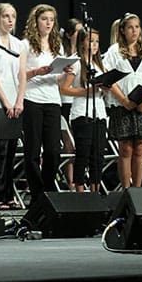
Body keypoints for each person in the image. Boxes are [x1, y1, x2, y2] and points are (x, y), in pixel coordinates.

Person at [21, 4, 72, 204]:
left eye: (52, 19)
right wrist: (37, 72)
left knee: (53, 150)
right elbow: (19, 75)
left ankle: (48, 188)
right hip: (32, 98)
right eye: (44, 19)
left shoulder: (56, 45)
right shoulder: (25, 45)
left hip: (52, 100)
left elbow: (57, 79)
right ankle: (37, 194)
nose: (49, 23)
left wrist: (65, 73)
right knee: (33, 150)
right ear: (36, 21)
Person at [104, 12, 142, 189]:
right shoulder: (114, 51)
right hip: (122, 104)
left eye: (137, 27)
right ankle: (126, 189)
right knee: (126, 148)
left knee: (140, 148)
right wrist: (124, 101)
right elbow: (109, 78)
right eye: (130, 27)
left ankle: (138, 190)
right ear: (122, 30)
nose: (134, 31)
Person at [0, 2, 26, 209]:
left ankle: (8, 194)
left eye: (13, 16)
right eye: (6, 16)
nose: (10, 20)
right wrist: (6, 102)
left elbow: (22, 74)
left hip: (15, 102)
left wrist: (19, 100)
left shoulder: (19, 44)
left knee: (11, 151)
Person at [60, 28, 111, 193]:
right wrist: (85, 91)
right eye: (90, 41)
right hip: (82, 111)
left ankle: (95, 190)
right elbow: (64, 89)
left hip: (99, 112)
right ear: (82, 42)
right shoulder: (76, 63)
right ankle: (80, 191)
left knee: (98, 155)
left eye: (96, 41)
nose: (94, 45)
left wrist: (105, 88)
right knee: (83, 153)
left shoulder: (99, 64)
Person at [58, 17, 82, 190]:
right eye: (78, 32)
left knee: (79, 143)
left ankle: (79, 179)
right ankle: (70, 179)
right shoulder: (63, 53)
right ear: (68, 35)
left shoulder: (85, 53)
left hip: (79, 101)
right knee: (68, 144)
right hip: (65, 101)